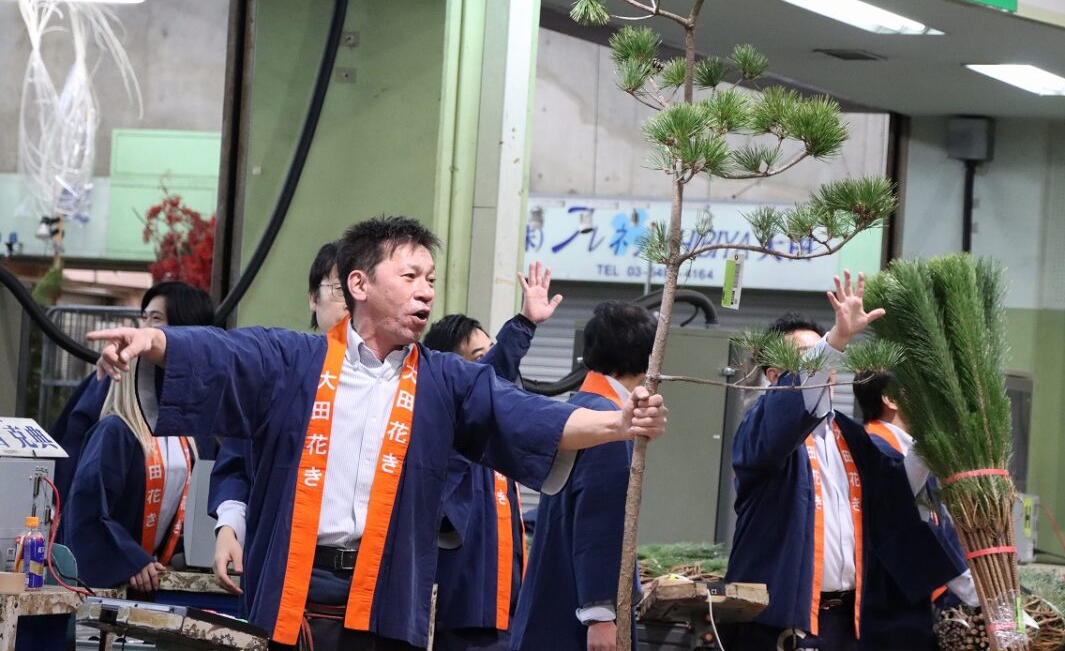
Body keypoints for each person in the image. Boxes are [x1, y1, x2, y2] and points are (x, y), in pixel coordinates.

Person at [89, 216, 668, 651]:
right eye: (410, 276)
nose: (426, 290)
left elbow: (526, 415)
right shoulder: (294, 360)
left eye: (431, 279)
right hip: (296, 584)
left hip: (388, 590)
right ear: (359, 284)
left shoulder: (446, 380)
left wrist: (618, 422)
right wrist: (155, 341)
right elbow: (225, 353)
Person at [725, 274, 966, 651]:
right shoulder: (760, 428)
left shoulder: (851, 434)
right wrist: (837, 338)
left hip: (845, 621)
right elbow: (787, 412)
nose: (825, 364)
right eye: (811, 356)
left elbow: (894, 495)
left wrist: (930, 433)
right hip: (780, 624)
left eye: (827, 357)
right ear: (775, 376)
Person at [425, 261, 563, 651]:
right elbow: (486, 378)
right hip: (462, 621)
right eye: (478, 357)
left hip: (506, 620)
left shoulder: (497, 443)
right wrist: (523, 325)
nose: (491, 372)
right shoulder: (449, 432)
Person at [509, 300, 655, 651]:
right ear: (647, 357)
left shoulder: (580, 407)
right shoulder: (608, 420)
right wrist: (601, 614)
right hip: (575, 617)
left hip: (553, 598)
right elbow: (599, 522)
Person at [209, 241, 347, 594]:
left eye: (357, 288)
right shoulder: (283, 372)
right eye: (338, 288)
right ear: (313, 299)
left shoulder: (392, 382)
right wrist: (228, 528)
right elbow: (237, 464)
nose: (348, 300)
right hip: (281, 565)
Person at [50, 281, 214, 539]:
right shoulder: (117, 379)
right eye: (144, 317)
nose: (144, 328)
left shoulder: (204, 393)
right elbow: (72, 445)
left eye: (156, 318)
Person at [64, 355, 201, 590]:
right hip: (117, 582)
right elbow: (87, 509)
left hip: (157, 574)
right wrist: (131, 560)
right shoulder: (114, 431)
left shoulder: (184, 438)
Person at [852, 373, 977, 614]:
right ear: (890, 399)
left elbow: (939, 523)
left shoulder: (911, 450)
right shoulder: (873, 449)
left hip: (929, 593)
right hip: (891, 601)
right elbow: (902, 515)